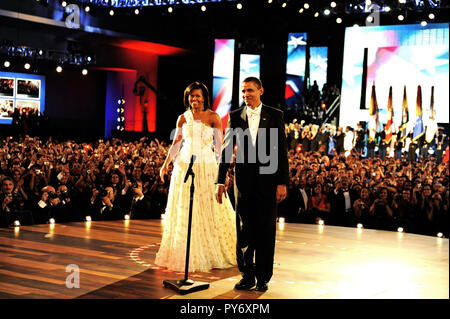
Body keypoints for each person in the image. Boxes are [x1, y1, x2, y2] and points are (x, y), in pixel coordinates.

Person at [215, 77, 289, 292]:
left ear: (260, 91)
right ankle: (247, 276)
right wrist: (221, 180)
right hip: (243, 182)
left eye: (250, 90)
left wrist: (282, 182)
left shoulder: (276, 115)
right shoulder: (235, 116)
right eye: (243, 91)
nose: (246, 94)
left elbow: (281, 152)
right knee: (244, 230)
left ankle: (263, 277)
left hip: (268, 180)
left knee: (265, 231)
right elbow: (227, 150)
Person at [155, 82, 236, 272]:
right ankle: (185, 252)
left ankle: (210, 249)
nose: (195, 99)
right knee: (185, 209)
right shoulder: (183, 118)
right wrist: (165, 164)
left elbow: (220, 147)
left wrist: (222, 174)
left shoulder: (213, 117)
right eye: (192, 96)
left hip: (207, 167)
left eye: (198, 96)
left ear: (204, 97)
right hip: (185, 167)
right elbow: (176, 144)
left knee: (206, 208)